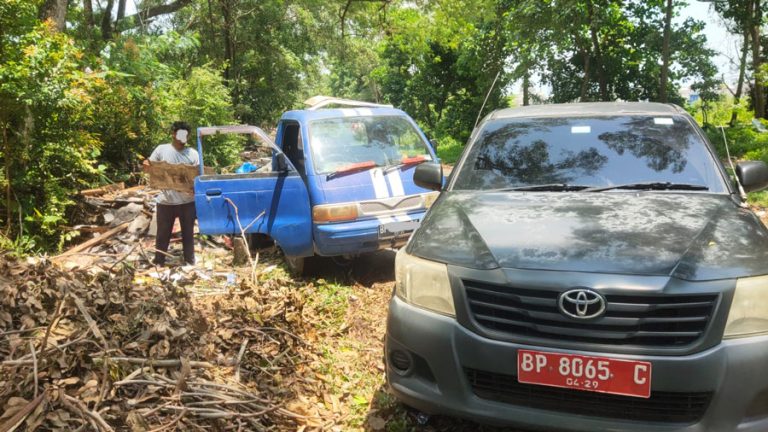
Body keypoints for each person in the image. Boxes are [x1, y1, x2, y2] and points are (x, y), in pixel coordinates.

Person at [143, 121, 199, 266]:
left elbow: (197, 176)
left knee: (188, 234)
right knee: (162, 234)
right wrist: (147, 165)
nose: (183, 137)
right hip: (165, 201)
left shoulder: (193, 153)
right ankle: (159, 262)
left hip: (187, 202)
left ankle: (189, 261)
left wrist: (195, 187)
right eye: (180, 134)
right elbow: (149, 165)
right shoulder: (161, 150)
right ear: (173, 134)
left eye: (186, 134)